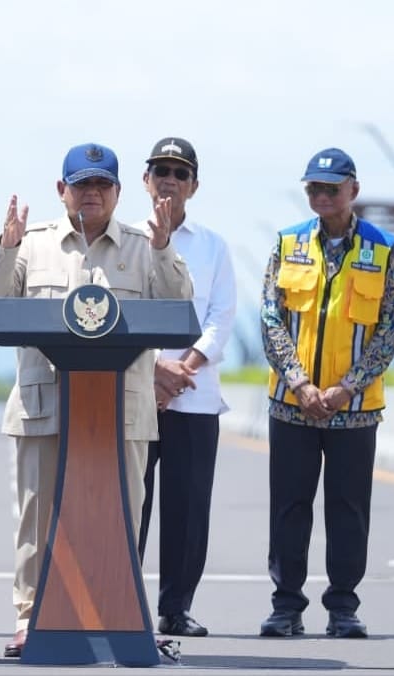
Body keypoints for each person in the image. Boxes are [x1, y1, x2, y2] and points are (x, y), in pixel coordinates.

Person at [0, 142, 193, 657]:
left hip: (121, 411)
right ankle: (31, 616)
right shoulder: (32, 243)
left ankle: (124, 615)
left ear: (118, 192)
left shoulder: (146, 245)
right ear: (62, 190)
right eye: (81, 184)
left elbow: (178, 304)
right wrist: (5, 247)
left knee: (125, 516)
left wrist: (164, 248)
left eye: (101, 185)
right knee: (37, 516)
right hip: (45, 406)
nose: (91, 193)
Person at [259, 147, 394, 639]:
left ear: (353, 191)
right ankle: (286, 606)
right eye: (314, 189)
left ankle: (343, 606)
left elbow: (390, 327)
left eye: (331, 189)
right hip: (292, 405)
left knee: (347, 510)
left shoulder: (384, 248)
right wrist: (300, 382)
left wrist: (347, 388)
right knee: (289, 508)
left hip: (355, 410)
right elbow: (270, 317)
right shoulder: (288, 242)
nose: (322, 197)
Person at [134, 137, 236, 637]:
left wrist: (182, 371)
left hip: (194, 398)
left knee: (188, 508)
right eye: (161, 171)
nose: (169, 180)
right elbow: (116, 314)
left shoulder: (214, 246)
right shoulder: (124, 238)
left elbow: (220, 319)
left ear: (194, 185)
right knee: (132, 502)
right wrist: (155, 369)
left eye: (179, 172)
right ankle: (124, 600)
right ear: (145, 180)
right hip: (137, 393)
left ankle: (176, 607)